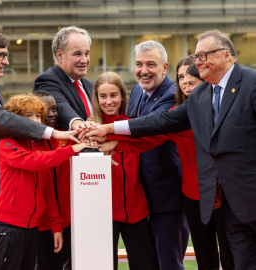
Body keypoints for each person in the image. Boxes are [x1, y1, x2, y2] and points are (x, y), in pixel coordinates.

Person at [86, 29, 256, 270]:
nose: (198, 62)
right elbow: (160, 123)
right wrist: (110, 130)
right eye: (197, 57)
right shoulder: (200, 97)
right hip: (221, 201)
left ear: (226, 54)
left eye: (204, 55)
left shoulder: (251, 83)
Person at [100, 62, 233, 269]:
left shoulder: (224, 109)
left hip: (226, 195)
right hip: (193, 196)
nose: (186, 86)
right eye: (181, 80)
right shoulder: (177, 114)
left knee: (231, 255)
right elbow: (152, 134)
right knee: (205, 257)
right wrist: (118, 142)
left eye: (192, 81)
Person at [0, 29, 77, 270]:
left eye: (40, 116)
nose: (6, 61)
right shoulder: (10, 145)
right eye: (1, 55)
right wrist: (56, 135)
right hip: (4, 216)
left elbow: (46, 187)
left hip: (25, 223)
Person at [0, 94, 94, 270]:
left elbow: (48, 192)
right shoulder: (6, 145)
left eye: (38, 115)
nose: (35, 120)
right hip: (8, 228)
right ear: (15, 120)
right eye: (28, 116)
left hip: (33, 230)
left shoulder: (40, 147)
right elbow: (35, 161)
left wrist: (56, 226)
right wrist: (74, 148)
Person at [117, 40, 187, 270]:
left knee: (169, 263)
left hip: (167, 197)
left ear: (165, 67)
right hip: (139, 196)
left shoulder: (172, 94)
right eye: (139, 64)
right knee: (148, 262)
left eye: (151, 64)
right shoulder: (137, 89)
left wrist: (108, 134)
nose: (143, 70)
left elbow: (148, 126)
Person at [91, 72, 156, 270]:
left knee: (145, 265)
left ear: (122, 97)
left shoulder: (133, 126)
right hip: (102, 215)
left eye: (114, 95)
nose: (109, 101)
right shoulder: (88, 129)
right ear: (96, 98)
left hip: (136, 212)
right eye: (103, 96)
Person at [33, 90, 73, 270]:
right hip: (41, 224)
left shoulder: (68, 138)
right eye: (44, 109)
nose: (51, 113)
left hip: (69, 219)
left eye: (55, 109)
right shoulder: (30, 144)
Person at [33, 25, 94, 131]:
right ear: (60, 55)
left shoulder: (90, 86)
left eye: (87, 54)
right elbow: (60, 105)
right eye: (77, 54)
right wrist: (76, 122)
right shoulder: (47, 80)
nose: (84, 60)